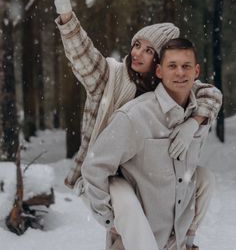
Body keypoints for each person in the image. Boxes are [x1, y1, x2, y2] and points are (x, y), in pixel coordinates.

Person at [50, 0, 222, 250]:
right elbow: (83, 56)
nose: (138, 53)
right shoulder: (112, 76)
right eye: (137, 44)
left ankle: (185, 240)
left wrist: (195, 121)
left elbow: (210, 93)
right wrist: (66, 14)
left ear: (159, 64)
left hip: (140, 168)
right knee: (127, 209)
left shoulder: (166, 84)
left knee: (201, 178)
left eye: (149, 50)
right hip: (105, 171)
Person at [81, 38, 220, 250]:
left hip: (177, 242)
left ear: (197, 71)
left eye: (186, 66)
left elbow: (215, 96)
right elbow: (94, 167)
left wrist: (194, 123)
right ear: (158, 71)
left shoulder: (198, 113)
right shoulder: (135, 116)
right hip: (138, 241)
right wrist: (109, 220)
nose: (180, 73)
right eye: (172, 66)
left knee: (205, 178)